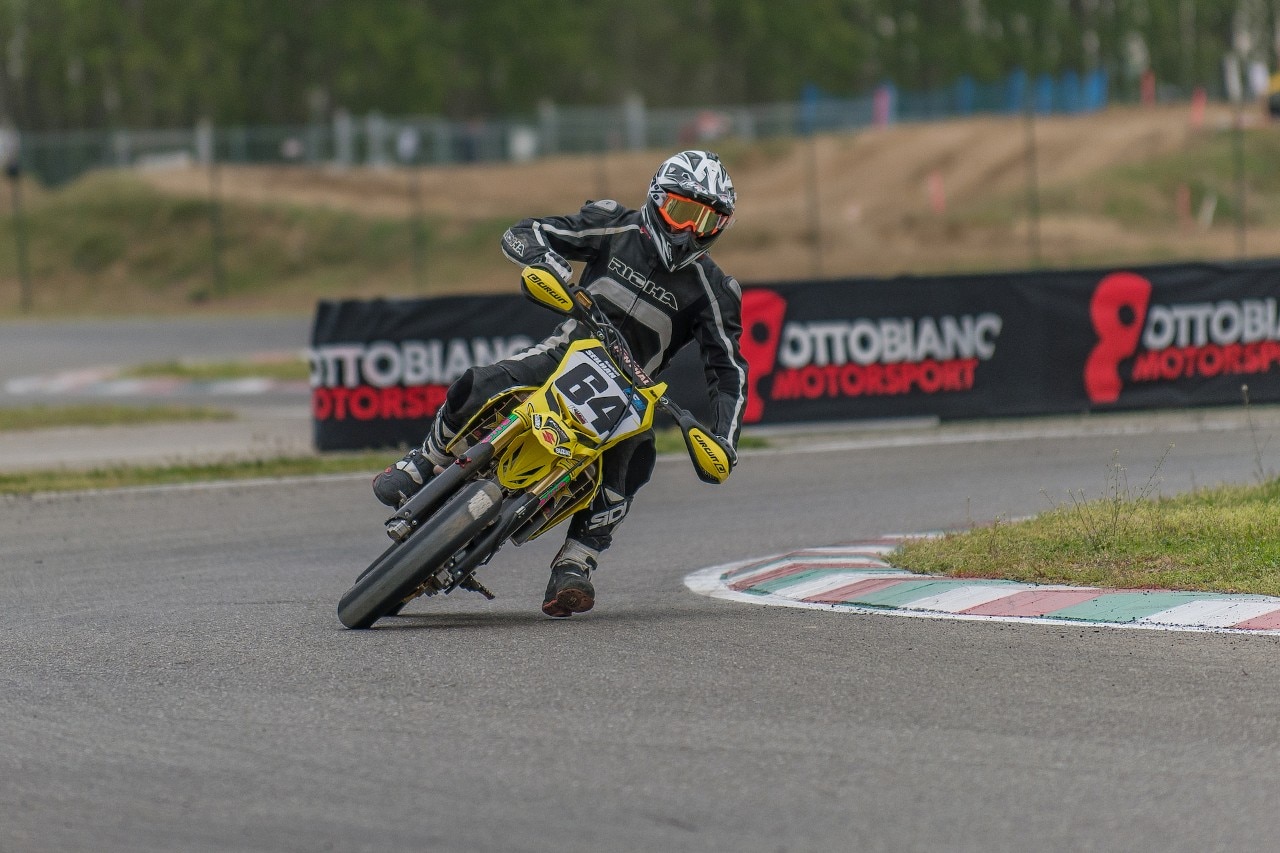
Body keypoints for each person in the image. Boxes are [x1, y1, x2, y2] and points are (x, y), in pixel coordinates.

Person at [373, 150, 747, 617]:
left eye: (706, 221)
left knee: (637, 456)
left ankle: (576, 563)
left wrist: (724, 440)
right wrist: (547, 263)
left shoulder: (715, 289)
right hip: (566, 349)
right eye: (682, 211)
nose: (689, 229)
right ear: (656, 200)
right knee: (482, 382)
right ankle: (424, 461)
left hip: (630, 393)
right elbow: (527, 231)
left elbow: (729, 369)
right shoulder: (613, 225)